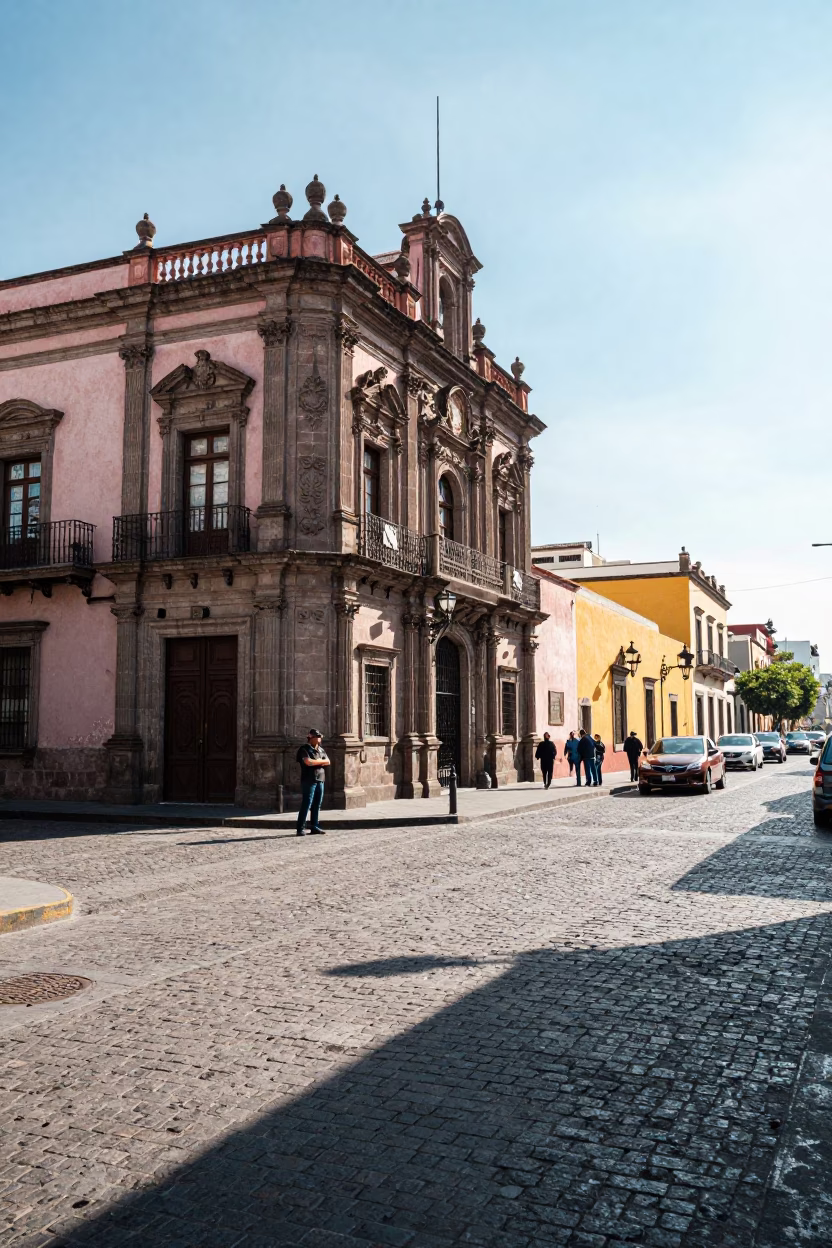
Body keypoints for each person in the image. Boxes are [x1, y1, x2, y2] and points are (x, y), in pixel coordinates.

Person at [296, 728, 330, 836]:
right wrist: (320, 762)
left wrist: (318, 762)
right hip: (309, 780)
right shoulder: (304, 749)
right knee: (307, 803)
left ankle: (315, 826)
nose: (319, 739)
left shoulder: (321, 750)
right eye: (317, 737)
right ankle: (300, 828)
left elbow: (328, 761)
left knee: (317, 804)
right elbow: (308, 762)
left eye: (320, 737)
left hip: (320, 779)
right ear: (310, 738)